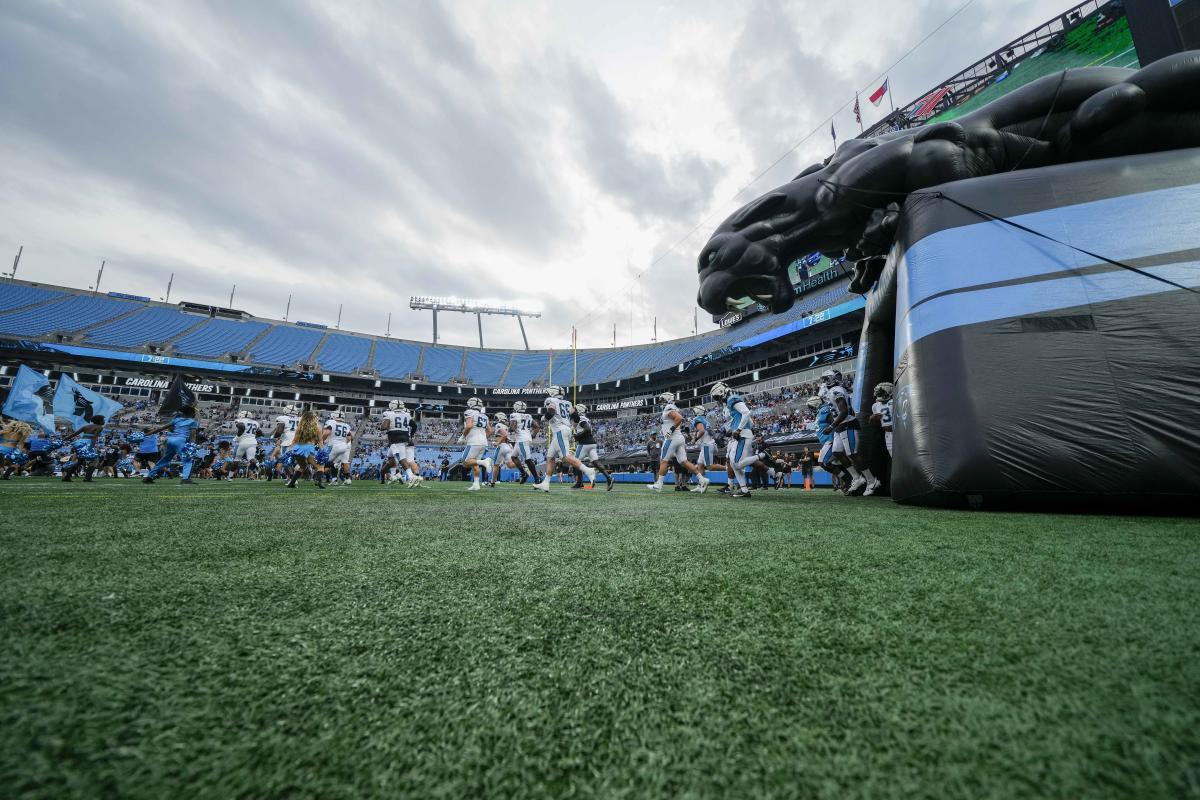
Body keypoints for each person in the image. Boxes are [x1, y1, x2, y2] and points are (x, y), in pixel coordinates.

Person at [821, 369, 880, 495]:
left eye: (827, 379)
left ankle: (872, 480)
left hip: (847, 423)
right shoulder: (832, 391)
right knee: (837, 452)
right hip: (840, 426)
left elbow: (844, 412)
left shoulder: (837, 390)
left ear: (833, 378)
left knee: (852, 454)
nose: (825, 382)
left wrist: (831, 427)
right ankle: (857, 478)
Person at [532, 386, 595, 493]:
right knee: (550, 457)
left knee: (565, 457)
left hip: (560, 430)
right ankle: (546, 483)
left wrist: (544, 418)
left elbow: (551, 412)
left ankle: (588, 470)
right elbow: (576, 417)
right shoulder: (568, 403)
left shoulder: (551, 400)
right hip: (562, 430)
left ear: (553, 392)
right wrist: (572, 427)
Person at [646, 392, 709, 494]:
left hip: (672, 438)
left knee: (663, 460)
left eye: (662, 400)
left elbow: (679, 418)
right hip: (679, 438)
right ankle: (702, 479)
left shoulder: (669, 407)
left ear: (667, 399)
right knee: (684, 462)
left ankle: (659, 484)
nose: (661, 402)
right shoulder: (673, 407)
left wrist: (670, 430)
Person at [711, 382, 758, 498]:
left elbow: (746, 413)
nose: (718, 399)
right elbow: (749, 420)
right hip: (741, 434)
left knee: (736, 464)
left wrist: (739, 429)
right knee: (733, 463)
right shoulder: (730, 400)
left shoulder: (732, 398)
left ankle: (762, 456)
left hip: (742, 435)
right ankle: (744, 490)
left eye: (717, 396)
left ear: (721, 392)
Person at [142, 405, 200, 485]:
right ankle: (185, 479)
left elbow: (160, 428)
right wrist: (192, 445)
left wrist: (146, 434)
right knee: (187, 460)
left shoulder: (176, 420)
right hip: (180, 441)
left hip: (170, 440)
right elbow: (193, 435)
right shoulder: (193, 421)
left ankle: (149, 477)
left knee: (164, 460)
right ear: (191, 413)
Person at [570, 404, 614, 490]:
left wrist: (578, 436)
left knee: (575, 462)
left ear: (579, 410)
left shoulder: (581, 419)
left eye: (575, 409)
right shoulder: (586, 419)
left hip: (584, 443)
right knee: (596, 462)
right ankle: (609, 478)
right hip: (592, 443)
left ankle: (579, 483)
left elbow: (587, 429)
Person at [380, 400, 421, 486]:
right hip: (405, 437)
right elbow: (414, 425)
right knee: (390, 456)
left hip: (395, 438)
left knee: (401, 459)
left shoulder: (388, 413)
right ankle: (394, 474)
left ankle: (411, 476)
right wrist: (411, 435)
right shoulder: (406, 414)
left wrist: (382, 427)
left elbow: (384, 427)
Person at [459, 397, 493, 491]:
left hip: (474, 442)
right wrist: (482, 438)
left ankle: (484, 462)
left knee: (465, 462)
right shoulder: (484, 416)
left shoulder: (469, 412)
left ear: (470, 404)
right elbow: (490, 431)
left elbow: (469, 425)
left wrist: (463, 436)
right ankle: (476, 484)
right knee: (474, 464)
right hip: (483, 442)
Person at [285, 409, 326, 489]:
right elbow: (320, 441)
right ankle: (318, 480)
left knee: (303, 466)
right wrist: (322, 451)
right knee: (320, 466)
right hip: (309, 448)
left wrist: (289, 450)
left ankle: (291, 483)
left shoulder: (300, 426)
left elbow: (294, 440)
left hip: (298, 448)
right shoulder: (317, 426)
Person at [508, 401, 540, 483]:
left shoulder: (514, 415)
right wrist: (532, 436)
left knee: (527, 460)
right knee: (513, 457)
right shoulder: (528, 416)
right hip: (523, 439)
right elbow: (537, 427)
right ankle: (524, 473)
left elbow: (512, 428)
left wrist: (507, 429)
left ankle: (537, 478)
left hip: (522, 439)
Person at [322, 409, 354, 486]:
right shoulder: (346, 425)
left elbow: (327, 433)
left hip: (334, 445)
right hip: (344, 446)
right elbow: (350, 438)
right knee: (343, 462)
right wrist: (344, 444)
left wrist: (321, 441)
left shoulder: (330, 422)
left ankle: (334, 479)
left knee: (325, 462)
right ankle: (347, 479)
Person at [232, 409, 261, 477]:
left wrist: (238, 437)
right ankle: (257, 464)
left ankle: (230, 476)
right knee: (251, 458)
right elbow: (260, 432)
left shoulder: (240, 420)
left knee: (236, 459)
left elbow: (241, 427)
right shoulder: (255, 422)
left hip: (243, 442)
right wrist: (253, 436)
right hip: (253, 442)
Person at [870, 382, 895, 458]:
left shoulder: (894, 401)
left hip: (899, 431)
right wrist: (872, 419)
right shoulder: (875, 406)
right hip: (888, 435)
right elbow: (876, 422)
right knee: (894, 458)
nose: (878, 394)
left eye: (881, 393)